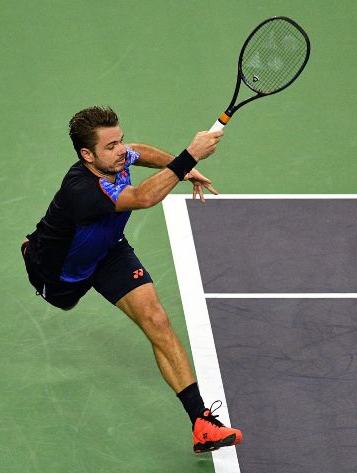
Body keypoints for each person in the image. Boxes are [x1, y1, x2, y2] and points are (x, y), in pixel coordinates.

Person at [20, 106, 242, 453]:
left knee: (157, 320)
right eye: (110, 146)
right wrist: (187, 157)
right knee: (63, 297)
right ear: (86, 155)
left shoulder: (118, 157)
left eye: (119, 140)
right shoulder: (82, 189)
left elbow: (141, 151)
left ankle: (202, 423)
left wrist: (184, 170)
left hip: (109, 252)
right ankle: (31, 249)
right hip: (62, 272)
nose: (121, 150)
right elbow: (142, 198)